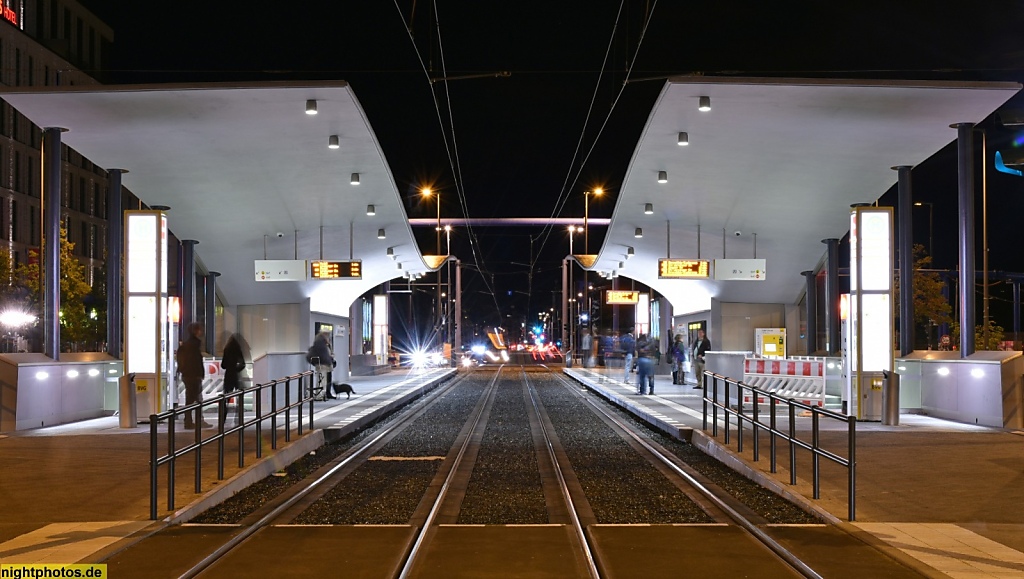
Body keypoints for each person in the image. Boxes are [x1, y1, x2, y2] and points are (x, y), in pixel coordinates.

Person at [176, 322, 210, 429]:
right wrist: (200, 373)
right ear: (196, 331)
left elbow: (180, 360)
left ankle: (191, 420)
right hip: (194, 375)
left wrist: (182, 370)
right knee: (196, 398)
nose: (201, 332)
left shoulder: (184, 345)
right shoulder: (195, 345)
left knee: (190, 398)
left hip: (187, 375)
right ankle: (195, 421)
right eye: (199, 330)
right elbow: (196, 361)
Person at [219, 333, 247, 426]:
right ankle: (238, 419)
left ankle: (223, 419)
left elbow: (223, 365)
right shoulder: (238, 350)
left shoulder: (227, 349)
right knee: (239, 397)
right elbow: (243, 363)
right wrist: (237, 369)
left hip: (228, 375)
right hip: (236, 376)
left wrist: (230, 367)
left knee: (226, 398)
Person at [307, 331, 337, 399]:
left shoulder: (325, 344)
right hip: (322, 364)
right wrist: (329, 358)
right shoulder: (320, 344)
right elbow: (324, 355)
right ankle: (319, 395)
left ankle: (323, 394)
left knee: (324, 379)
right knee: (322, 379)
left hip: (325, 364)